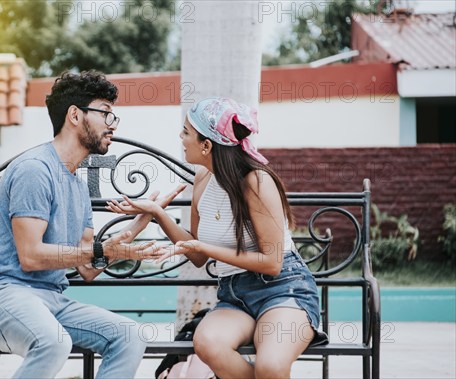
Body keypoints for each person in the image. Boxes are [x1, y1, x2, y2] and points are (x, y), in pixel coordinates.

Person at [0, 70, 184, 379]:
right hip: (3, 296)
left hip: (52, 300)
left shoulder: (77, 185)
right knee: (53, 342)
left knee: (129, 336)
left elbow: (88, 266)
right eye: (106, 114)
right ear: (74, 114)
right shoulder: (35, 170)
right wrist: (101, 249)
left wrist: (144, 218)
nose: (112, 125)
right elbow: (30, 256)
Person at [107, 97, 328, 379]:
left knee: (270, 366)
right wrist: (157, 213)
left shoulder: (256, 182)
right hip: (235, 295)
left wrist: (202, 245)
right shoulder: (202, 181)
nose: (181, 137)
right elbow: (198, 255)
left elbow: (272, 263)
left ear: (206, 145)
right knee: (207, 343)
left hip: (283, 290)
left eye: (186, 131)